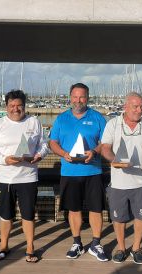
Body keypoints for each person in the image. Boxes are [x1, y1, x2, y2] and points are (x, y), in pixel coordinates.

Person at [0, 90, 49, 263]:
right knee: (6, 215)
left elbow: (44, 145)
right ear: (7, 106)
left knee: (28, 215)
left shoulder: (34, 122)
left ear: (24, 106)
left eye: (19, 105)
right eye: (12, 105)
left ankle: (30, 248)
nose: (16, 109)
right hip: (5, 178)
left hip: (28, 177)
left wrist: (39, 155)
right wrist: (4, 160)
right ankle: (4, 246)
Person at [49, 83, 108, 262]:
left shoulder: (98, 118)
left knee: (96, 209)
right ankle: (77, 243)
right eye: (75, 97)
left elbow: (106, 142)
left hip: (93, 171)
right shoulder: (61, 119)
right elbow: (53, 143)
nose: (78, 100)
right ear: (70, 97)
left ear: (87, 97)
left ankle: (96, 243)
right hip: (69, 171)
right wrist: (63, 154)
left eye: (82, 97)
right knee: (73, 209)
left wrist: (95, 151)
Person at [100, 92, 142, 264]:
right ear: (125, 107)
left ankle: (136, 248)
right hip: (118, 182)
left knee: (141, 217)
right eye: (135, 106)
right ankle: (121, 248)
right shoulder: (113, 124)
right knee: (118, 218)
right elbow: (105, 148)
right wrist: (115, 161)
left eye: (141, 106)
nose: (139, 110)